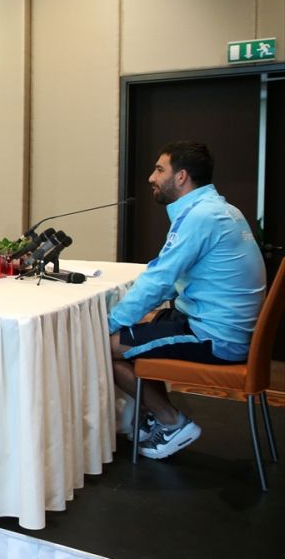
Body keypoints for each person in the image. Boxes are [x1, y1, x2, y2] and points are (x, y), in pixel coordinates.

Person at [109, 140, 265, 460]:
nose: (151, 177)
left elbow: (160, 278)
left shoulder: (200, 216)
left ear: (181, 177)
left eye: (159, 170)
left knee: (103, 345)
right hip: (223, 327)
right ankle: (155, 416)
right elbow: (178, 277)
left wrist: (110, 322)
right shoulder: (222, 209)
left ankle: (171, 422)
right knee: (142, 327)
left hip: (214, 336)